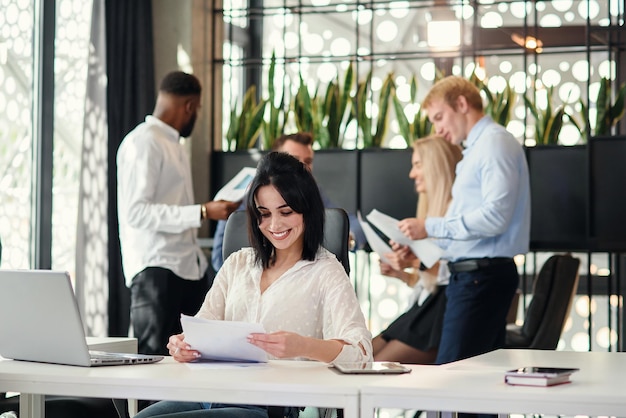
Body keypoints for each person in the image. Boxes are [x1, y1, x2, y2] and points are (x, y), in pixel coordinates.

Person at [134, 151, 372, 418]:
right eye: (264, 214)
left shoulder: (326, 271)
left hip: (270, 407)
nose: (275, 224)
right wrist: (184, 346)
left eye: (286, 212)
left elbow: (361, 355)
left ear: (307, 210)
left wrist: (303, 346)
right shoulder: (238, 263)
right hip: (210, 396)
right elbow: (201, 328)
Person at [397, 75, 530, 366]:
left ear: (461, 104)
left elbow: (495, 218)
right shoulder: (476, 151)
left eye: (440, 117)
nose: (438, 128)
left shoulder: (495, 144)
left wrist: (429, 226)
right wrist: (421, 250)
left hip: (480, 278)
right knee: (476, 382)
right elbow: (467, 229)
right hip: (474, 276)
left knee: (453, 379)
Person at [117, 71, 239, 355]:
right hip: (156, 270)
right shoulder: (143, 142)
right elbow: (136, 213)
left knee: (195, 354)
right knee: (154, 360)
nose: (195, 116)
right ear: (189, 106)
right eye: (196, 109)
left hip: (187, 266)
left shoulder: (173, 144)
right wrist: (202, 212)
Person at [211, 132, 365, 271]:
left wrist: (346, 239)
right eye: (295, 161)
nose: (303, 168)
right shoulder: (248, 195)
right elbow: (220, 259)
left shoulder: (313, 191)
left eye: (308, 161)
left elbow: (349, 222)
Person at [373, 135, 462, 364]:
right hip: (426, 309)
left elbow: (453, 271)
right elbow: (432, 282)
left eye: (417, 165)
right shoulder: (432, 211)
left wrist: (413, 262)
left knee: (376, 366)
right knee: (364, 355)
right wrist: (402, 273)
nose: (412, 174)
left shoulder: (455, 213)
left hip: (440, 313)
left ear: (435, 167)